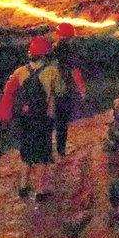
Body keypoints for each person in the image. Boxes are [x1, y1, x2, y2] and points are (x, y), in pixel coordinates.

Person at [0, 36, 63, 199]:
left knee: (26, 152)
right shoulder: (52, 71)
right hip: (43, 117)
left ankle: (23, 187)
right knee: (43, 154)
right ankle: (41, 190)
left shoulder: (20, 71)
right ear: (46, 54)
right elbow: (60, 91)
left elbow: (8, 90)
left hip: (25, 118)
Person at [49, 22, 89, 159]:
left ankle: (47, 148)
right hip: (63, 89)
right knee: (62, 119)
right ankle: (61, 151)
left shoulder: (50, 51)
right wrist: (82, 90)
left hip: (48, 88)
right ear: (70, 36)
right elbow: (75, 71)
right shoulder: (68, 51)